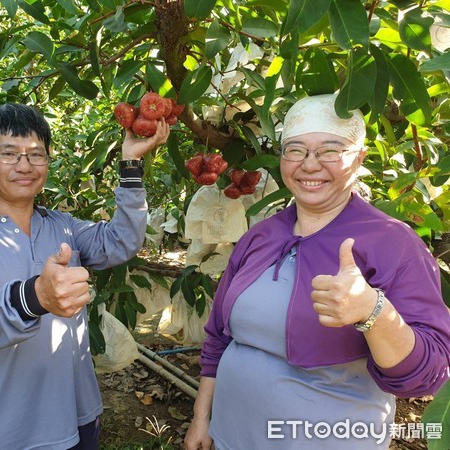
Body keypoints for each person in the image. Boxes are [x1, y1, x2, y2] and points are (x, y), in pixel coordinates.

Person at [184, 93, 450, 449]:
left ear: (359, 159)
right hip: (232, 434)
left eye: (330, 150)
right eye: (295, 150)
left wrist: (375, 312)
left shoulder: (393, 243)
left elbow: (427, 376)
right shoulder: (260, 235)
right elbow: (218, 336)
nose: (310, 165)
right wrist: (202, 419)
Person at [0, 103, 169, 450]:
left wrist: (130, 164)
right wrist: (34, 297)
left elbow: (121, 241)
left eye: (37, 155)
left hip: (76, 413)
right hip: (4, 432)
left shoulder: (62, 226)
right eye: (8, 153)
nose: (24, 166)